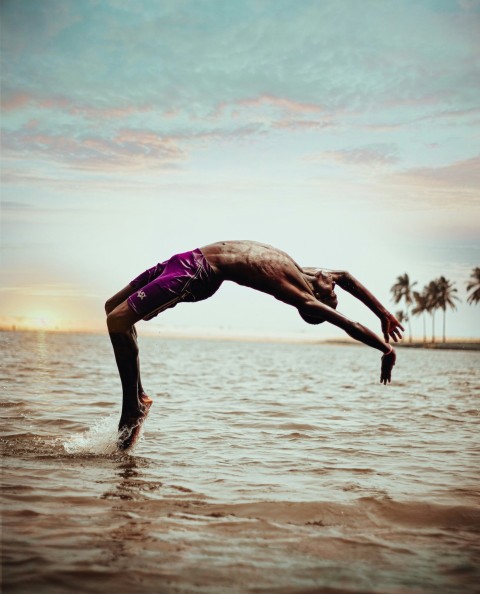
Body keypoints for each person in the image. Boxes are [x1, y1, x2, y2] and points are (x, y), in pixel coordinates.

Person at [105, 240, 404, 450]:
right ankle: (138, 398)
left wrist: (385, 349)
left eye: (333, 297)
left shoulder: (300, 293)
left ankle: (133, 404)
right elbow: (348, 278)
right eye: (334, 292)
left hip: (197, 274)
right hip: (183, 259)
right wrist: (384, 313)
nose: (335, 286)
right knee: (112, 307)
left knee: (118, 321)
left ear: (316, 304)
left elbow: (349, 325)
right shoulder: (312, 273)